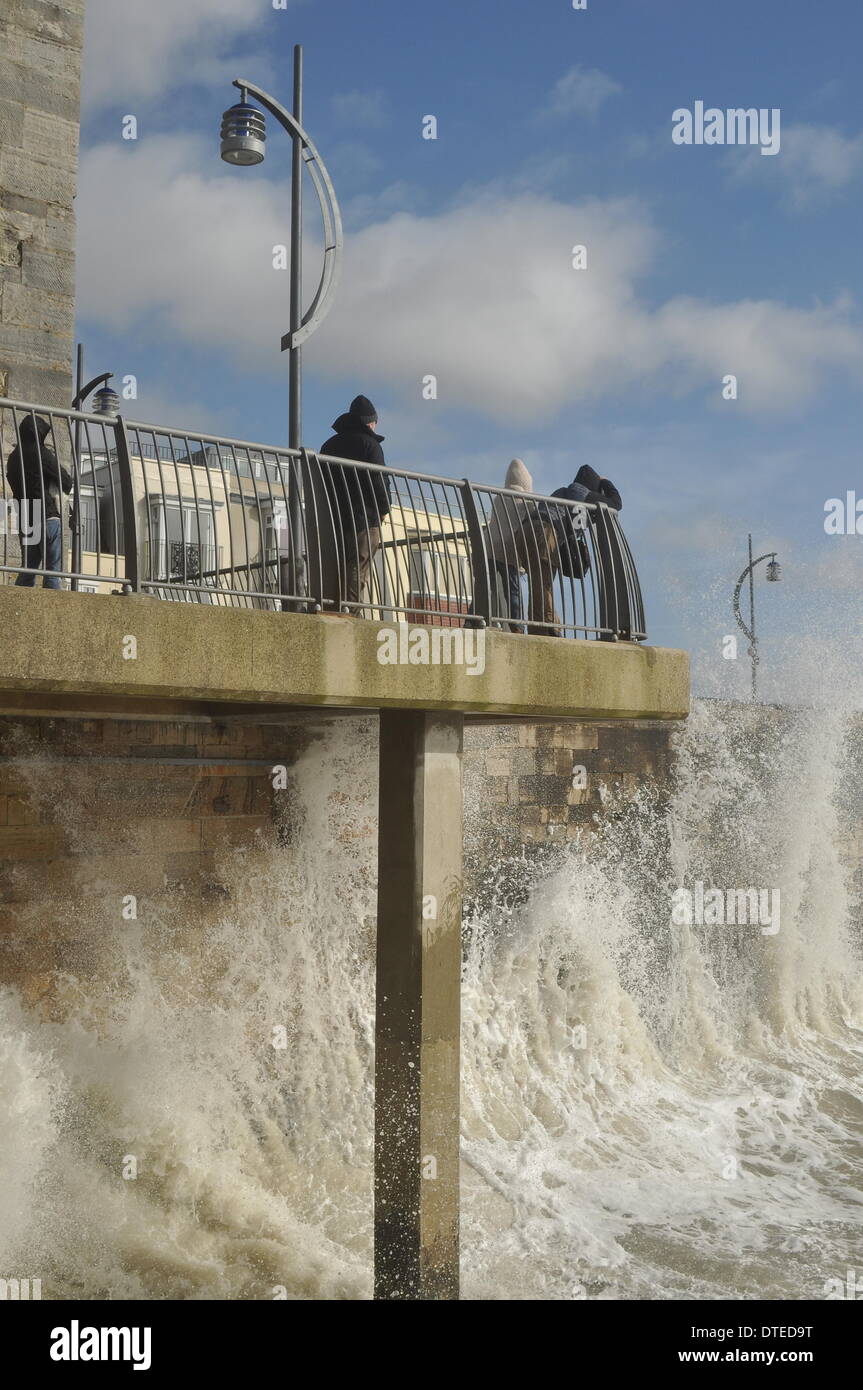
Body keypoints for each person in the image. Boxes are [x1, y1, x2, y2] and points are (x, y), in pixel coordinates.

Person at [319, 395, 391, 611]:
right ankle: (351, 609)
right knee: (359, 564)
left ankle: (332, 606)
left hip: (335, 516)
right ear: (371, 422)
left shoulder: (329, 445)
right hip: (364, 516)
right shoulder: (370, 445)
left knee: (337, 562)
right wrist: (384, 509)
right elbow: (379, 480)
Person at [551, 464, 630, 639]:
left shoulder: (562, 492)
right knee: (544, 586)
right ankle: (549, 627)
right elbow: (616, 504)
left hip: (542, 532)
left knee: (542, 584)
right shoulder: (587, 495)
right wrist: (606, 482)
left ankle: (548, 625)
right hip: (550, 536)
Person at [486, 459, 560, 636]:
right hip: (508, 550)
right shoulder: (527, 501)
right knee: (513, 589)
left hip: (489, 546)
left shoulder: (498, 497)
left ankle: (472, 619)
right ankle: (517, 626)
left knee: (485, 585)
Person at [5, 415, 72, 589]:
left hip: (27, 518)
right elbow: (66, 481)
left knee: (28, 568)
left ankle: (19, 606)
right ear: (40, 433)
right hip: (47, 515)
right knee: (52, 572)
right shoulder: (41, 453)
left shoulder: (13, 458)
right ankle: (52, 612)